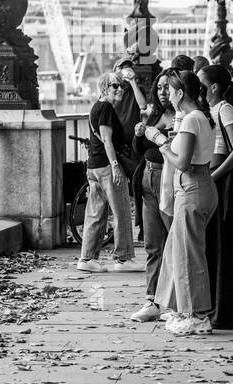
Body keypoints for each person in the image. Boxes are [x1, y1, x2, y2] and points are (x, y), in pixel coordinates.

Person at [142, 72, 218, 335]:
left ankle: (198, 315)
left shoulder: (191, 120)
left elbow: (182, 161)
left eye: (171, 91)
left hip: (192, 188)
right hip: (201, 185)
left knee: (189, 256)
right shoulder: (200, 118)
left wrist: (160, 141)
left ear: (180, 93)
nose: (168, 95)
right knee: (179, 252)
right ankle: (182, 308)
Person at [76, 72, 138, 273]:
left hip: (93, 166)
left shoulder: (97, 106)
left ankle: (87, 258)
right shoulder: (106, 108)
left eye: (121, 85)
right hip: (106, 167)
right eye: (114, 85)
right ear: (104, 88)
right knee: (121, 211)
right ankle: (123, 258)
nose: (120, 89)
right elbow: (107, 139)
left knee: (96, 213)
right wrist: (115, 165)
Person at [198, 65, 233, 329]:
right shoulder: (207, 111)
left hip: (221, 181)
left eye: (202, 83)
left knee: (222, 246)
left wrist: (213, 177)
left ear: (213, 87)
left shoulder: (225, 109)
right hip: (211, 177)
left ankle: (223, 312)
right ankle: (212, 308)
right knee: (211, 245)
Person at [128, 70, 176, 321]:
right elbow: (139, 152)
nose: (163, 93)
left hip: (168, 179)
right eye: (159, 88)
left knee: (175, 241)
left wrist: (160, 137)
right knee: (153, 243)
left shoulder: (183, 117)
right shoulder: (155, 114)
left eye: (167, 88)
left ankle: (176, 303)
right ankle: (152, 301)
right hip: (147, 178)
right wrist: (139, 135)